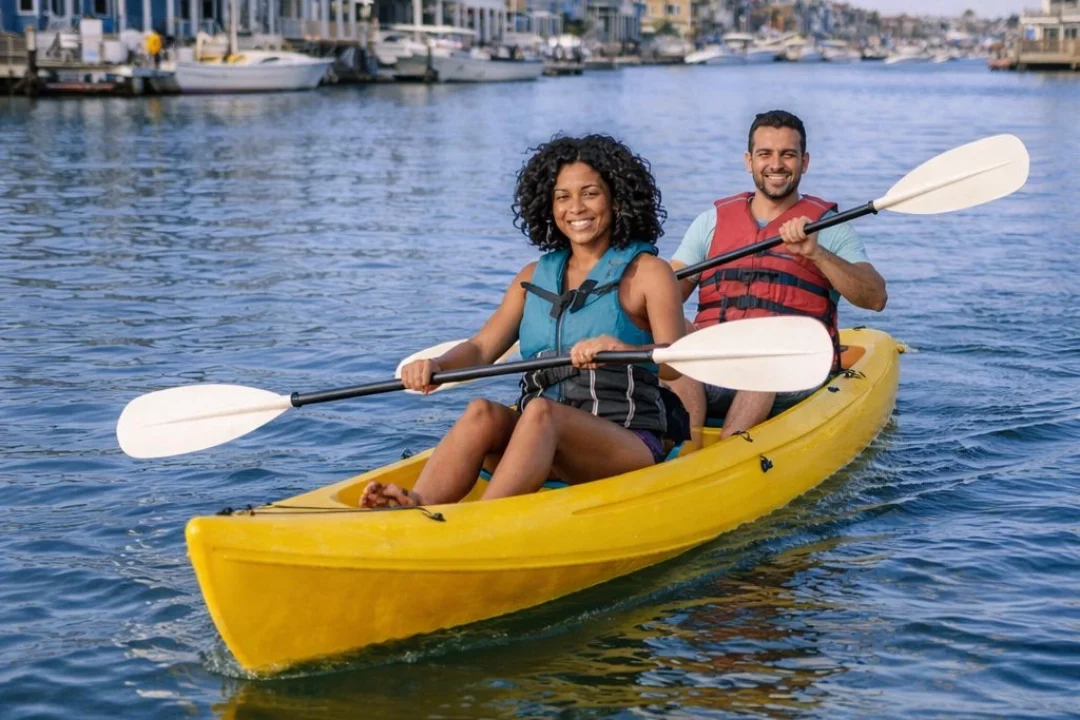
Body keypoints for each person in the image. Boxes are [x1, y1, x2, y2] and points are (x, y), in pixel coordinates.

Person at [361, 134, 687, 508]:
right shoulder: (532, 277)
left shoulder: (649, 273)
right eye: (562, 196)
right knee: (481, 411)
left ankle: (482, 523)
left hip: (624, 442)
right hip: (543, 442)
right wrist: (436, 365)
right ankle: (417, 502)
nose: (576, 208)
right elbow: (482, 348)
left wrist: (622, 349)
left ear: (616, 198)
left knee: (542, 413)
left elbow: (675, 363)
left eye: (590, 193)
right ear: (548, 206)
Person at [668, 110, 887, 439]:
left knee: (770, 350)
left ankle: (733, 448)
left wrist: (817, 253)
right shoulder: (710, 223)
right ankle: (688, 446)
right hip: (712, 369)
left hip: (791, 375)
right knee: (674, 330)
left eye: (788, 154)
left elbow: (876, 298)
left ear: (805, 161)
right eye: (765, 154)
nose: (776, 164)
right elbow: (666, 295)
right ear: (749, 160)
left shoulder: (828, 228)